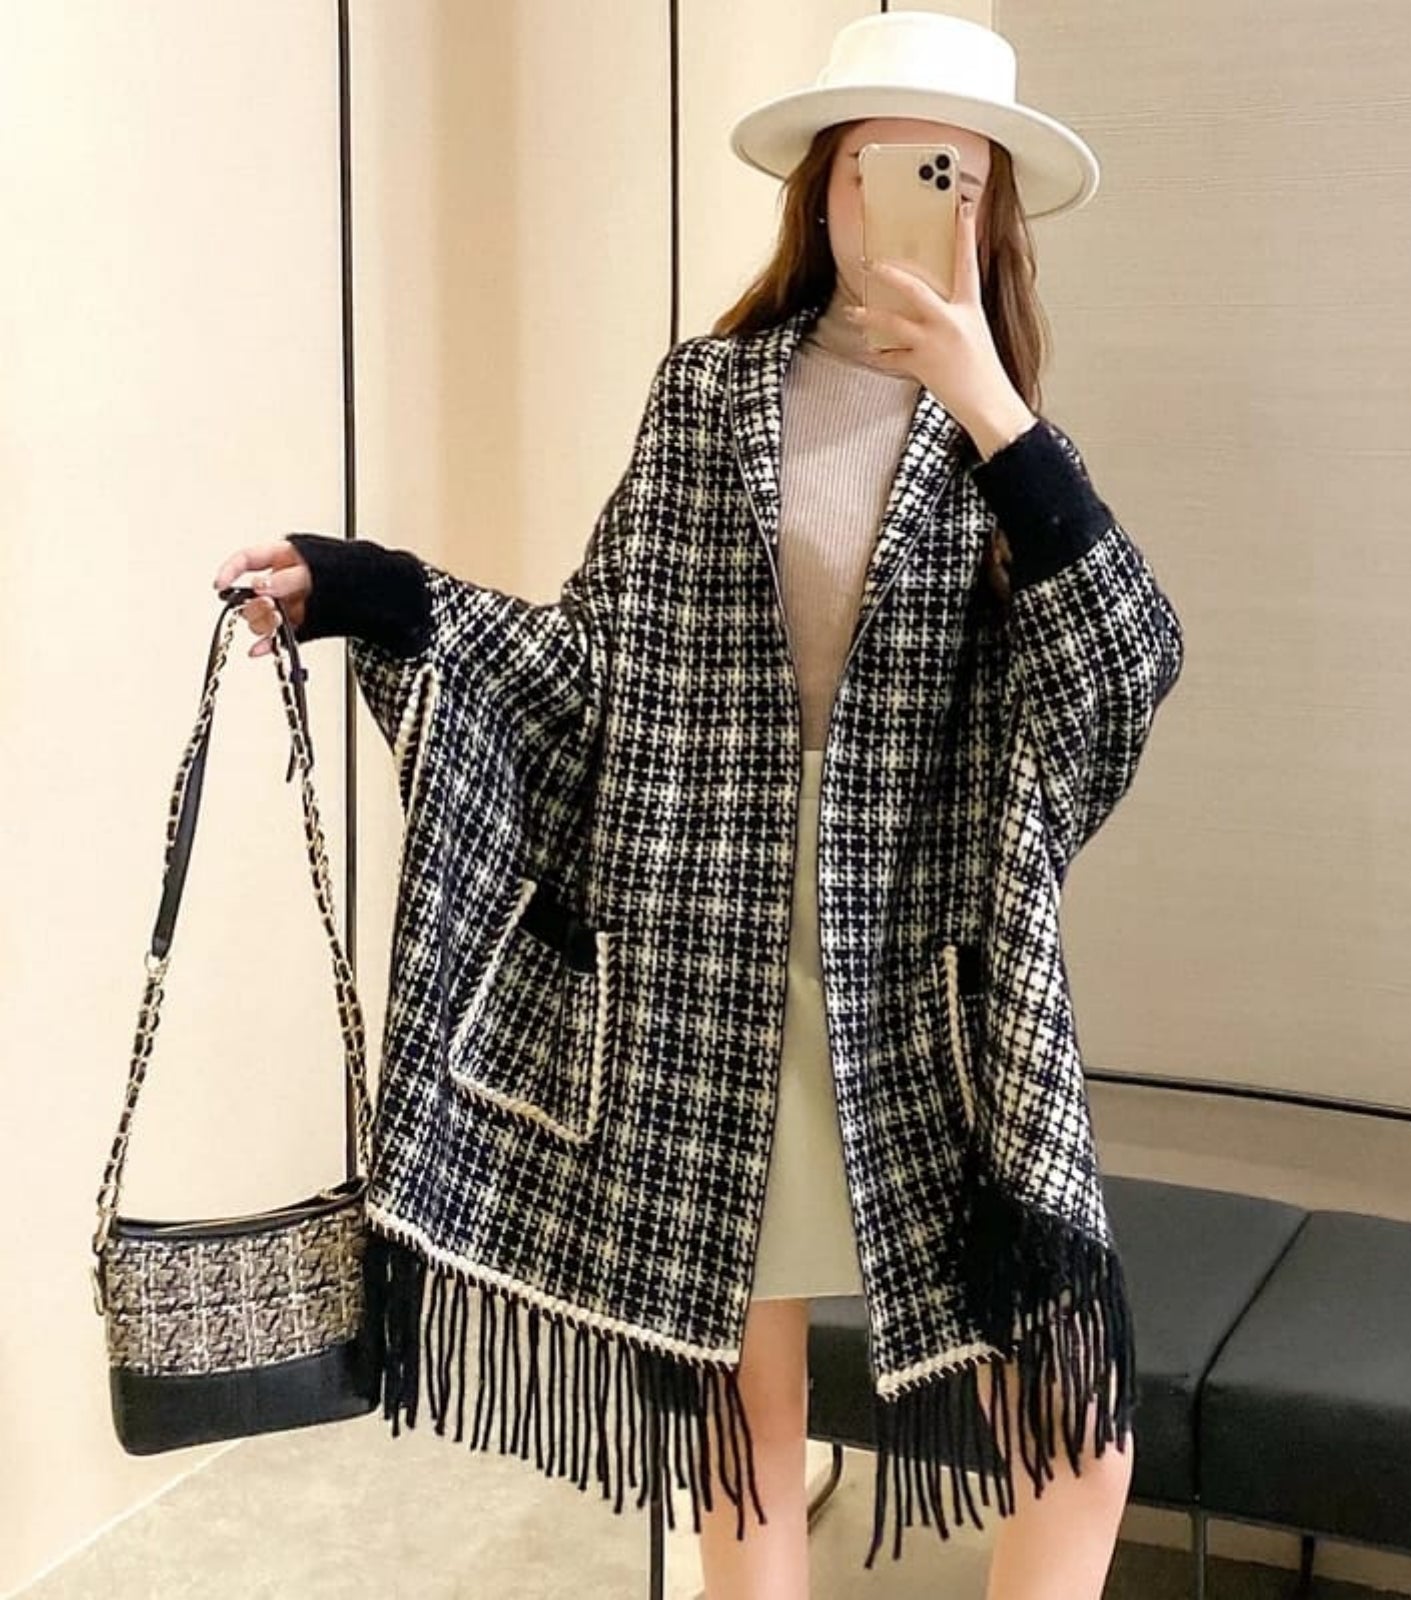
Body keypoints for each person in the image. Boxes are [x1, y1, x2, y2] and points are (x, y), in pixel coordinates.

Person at [213, 14, 1178, 1599]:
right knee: (743, 1436)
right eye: (875, 163)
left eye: (949, 169)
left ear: (991, 203)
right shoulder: (711, 397)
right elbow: (593, 670)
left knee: (1080, 1439)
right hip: (709, 974)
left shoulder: (1011, 449)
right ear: (824, 186)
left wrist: (989, 403)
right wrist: (366, 588)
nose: (906, 197)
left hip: (932, 1001)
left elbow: (1121, 673)